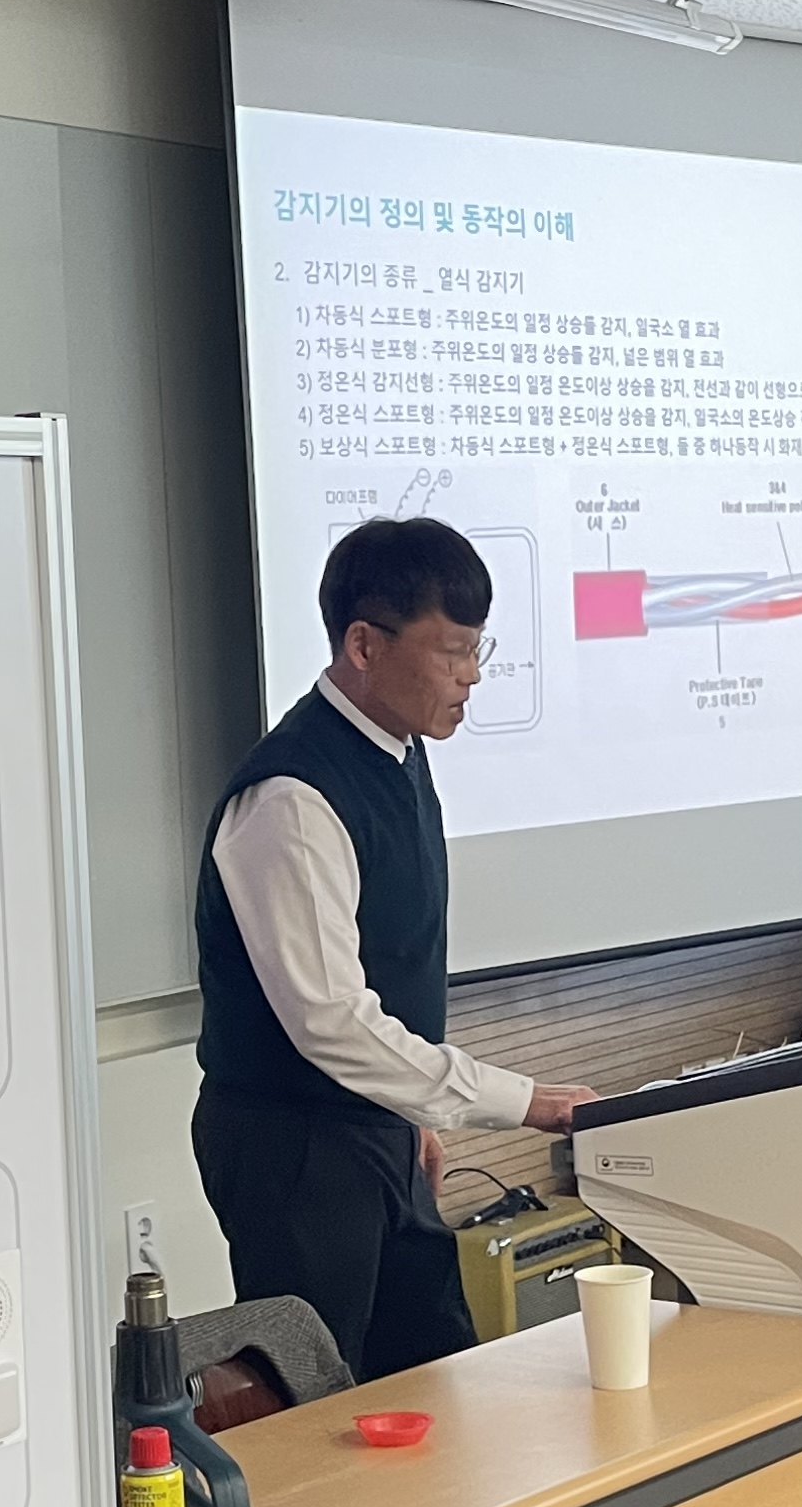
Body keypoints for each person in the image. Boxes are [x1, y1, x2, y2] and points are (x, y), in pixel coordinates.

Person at [192, 515, 597, 1379]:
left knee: (435, 1373)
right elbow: (331, 1021)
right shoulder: (291, 797)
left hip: (372, 1129)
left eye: (478, 649)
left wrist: (410, 1115)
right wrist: (523, 1101)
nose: (471, 675)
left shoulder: (398, 749)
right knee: (318, 1400)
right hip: (294, 1147)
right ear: (364, 645)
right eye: (452, 652)